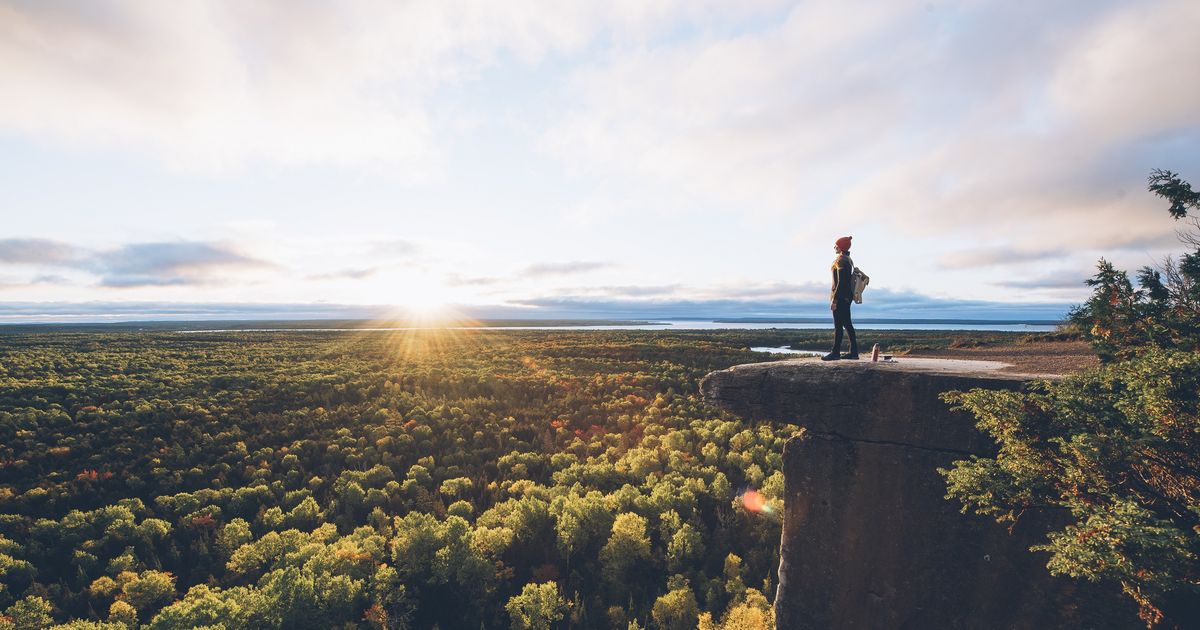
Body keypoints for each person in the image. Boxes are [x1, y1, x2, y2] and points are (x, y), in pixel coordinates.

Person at [822, 236, 858, 360]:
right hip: (847, 297)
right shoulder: (848, 259)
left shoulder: (841, 261)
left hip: (841, 298)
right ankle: (854, 353)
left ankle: (835, 353)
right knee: (848, 324)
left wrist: (835, 300)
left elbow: (841, 282)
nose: (834, 247)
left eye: (836, 245)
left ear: (841, 247)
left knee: (838, 326)